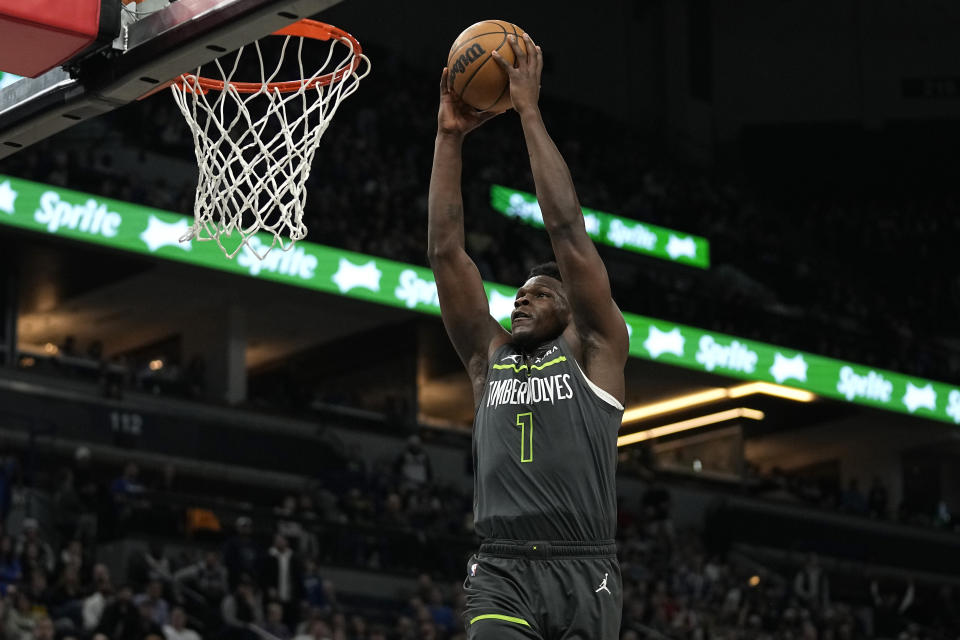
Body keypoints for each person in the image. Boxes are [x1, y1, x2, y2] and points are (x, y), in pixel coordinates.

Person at [428, 32, 628, 639]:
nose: (521, 297)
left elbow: (567, 230)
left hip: (585, 565)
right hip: (501, 566)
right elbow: (445, 253)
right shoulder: (489, 360)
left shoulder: (595, 351)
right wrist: (449, 136)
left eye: (541, 292)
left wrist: (529, 113)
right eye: (517, 291)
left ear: (574, 309)